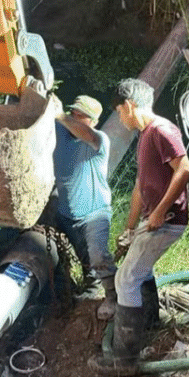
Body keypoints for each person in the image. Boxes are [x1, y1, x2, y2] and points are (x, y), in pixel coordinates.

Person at [90, 77, 189, 375]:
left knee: (125, 280)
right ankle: (148, 324)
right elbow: (139, 186)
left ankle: (125, 359)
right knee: (138, 270)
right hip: (153, 219)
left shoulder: (161, 130)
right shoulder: (146, 135)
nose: (120, 118)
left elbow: (184, 169)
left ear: (131, 105)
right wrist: (130, 226)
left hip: (168, 220)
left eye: (120, 111)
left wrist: (160, 211)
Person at [52, 95, 117, 320]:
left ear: (94, 121)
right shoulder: (59, 132)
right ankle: (88, 292)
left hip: (95, 213)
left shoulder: (98, 140)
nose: (75, 120)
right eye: (73, 114)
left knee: (98, 256)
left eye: (82, 117)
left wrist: (59, 115)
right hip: (66, 213)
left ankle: (113, 298)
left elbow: (85, 133)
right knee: (84, 259)